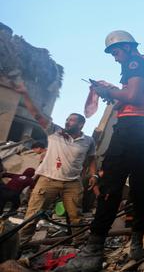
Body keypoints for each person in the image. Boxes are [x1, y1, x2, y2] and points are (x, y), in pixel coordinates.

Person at [61, 30, 144, 271]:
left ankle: (92, 252)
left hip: (132, 129)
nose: (115, 58)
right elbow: (130, 97)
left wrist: (109, 92)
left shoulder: (135, 61)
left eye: (115, 52)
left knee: (111, 185)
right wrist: (110, 93)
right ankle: (137, 244)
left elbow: (133, 95)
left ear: (127, 47)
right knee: (139, 187)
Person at [13, 83, 97, 244]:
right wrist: (25, 93)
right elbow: (37, 115)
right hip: (48, 180)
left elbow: (92, 158)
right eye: (67, 120)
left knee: (76, 217)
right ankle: (20, 245)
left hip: (72, 183)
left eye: (72, 121)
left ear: (81, 125)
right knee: (32, 215)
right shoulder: (55, 132)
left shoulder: (88, 141)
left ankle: (78, 244)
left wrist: (93, 174)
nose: (67, 122)